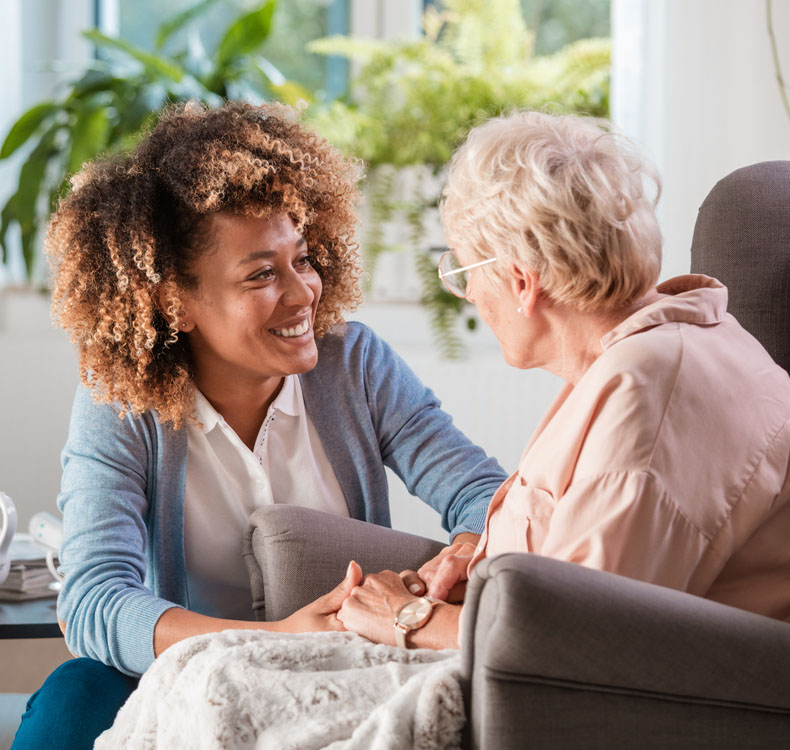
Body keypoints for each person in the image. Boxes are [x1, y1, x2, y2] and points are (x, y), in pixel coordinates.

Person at [12, 101, 507, 749]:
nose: (304, 293)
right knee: (77, 693)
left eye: (302, 258)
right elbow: (96, 601)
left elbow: (481, 491)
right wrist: (275, 639)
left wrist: (473, 543)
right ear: (174, 302)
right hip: (183, 677)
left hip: (339, 672)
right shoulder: (121, 404)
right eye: (261, 274)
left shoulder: (353, 364)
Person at [336, 110, 790, 650]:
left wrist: (408, 617)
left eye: (463, 273)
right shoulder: (653, 350)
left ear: (522, 281)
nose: (471, 295)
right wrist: (483, 562)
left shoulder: (647, 394)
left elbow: (578, 642)